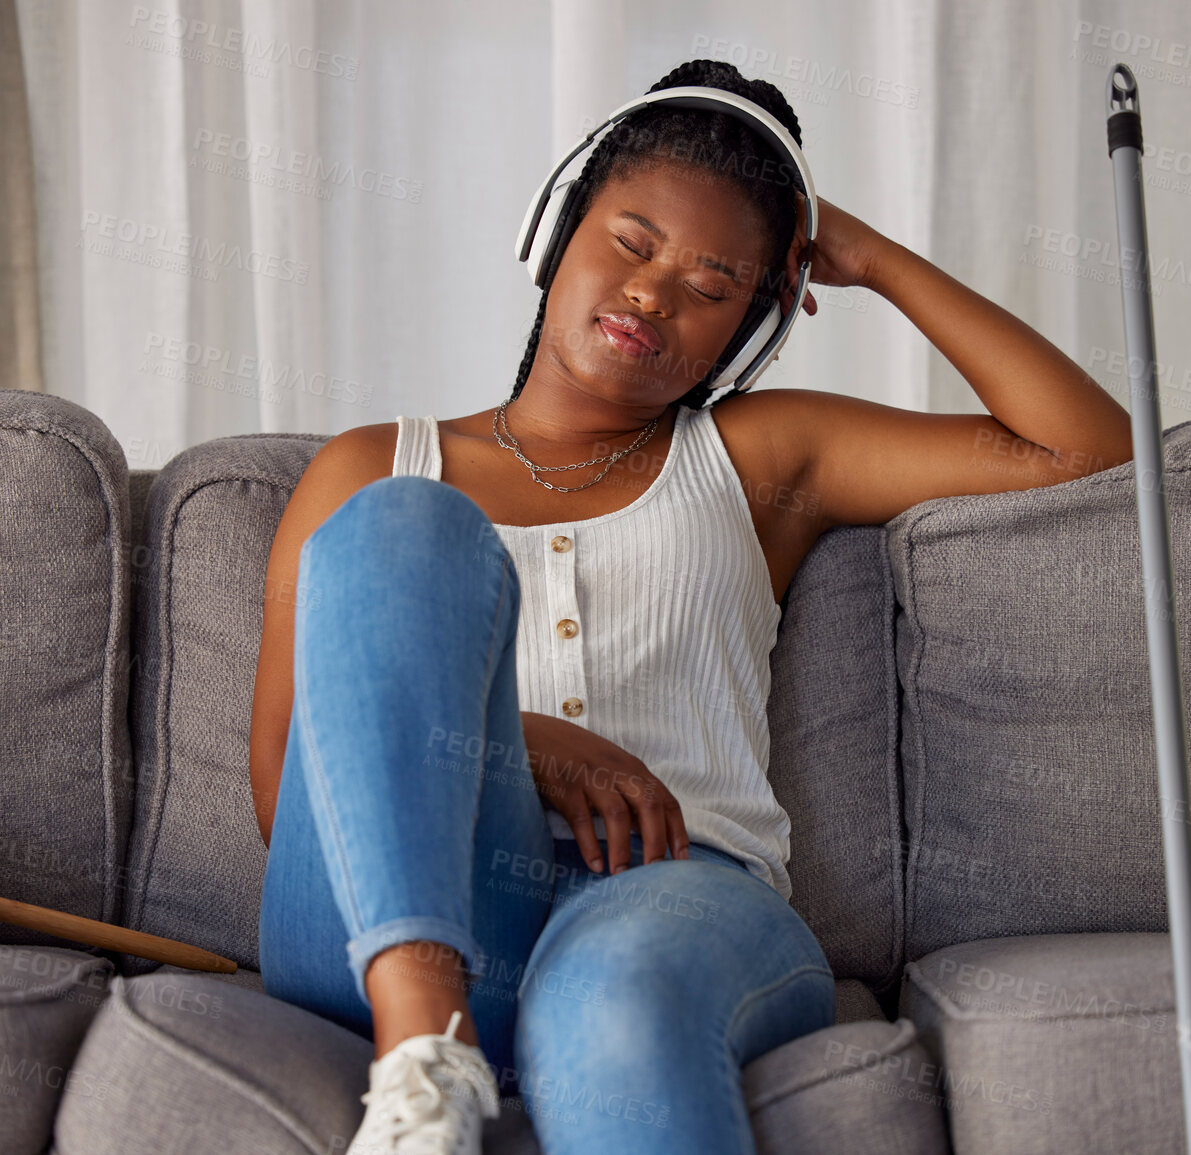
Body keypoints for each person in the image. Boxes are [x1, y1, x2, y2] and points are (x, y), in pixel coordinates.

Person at [249, 57, 1134, 1155]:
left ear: (749, 331)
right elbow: (289, 783)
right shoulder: (370, 463)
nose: (653, 294)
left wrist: (870, 257)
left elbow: (1086, 451)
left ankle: (445, 1063)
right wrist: (521, 749)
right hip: (388, 910)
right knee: (404, 523)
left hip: (669, 907)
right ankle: (422, 1066)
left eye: (714, 287)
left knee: (618, 1001)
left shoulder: (760, 459)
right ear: (557, 232)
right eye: (631, 243)